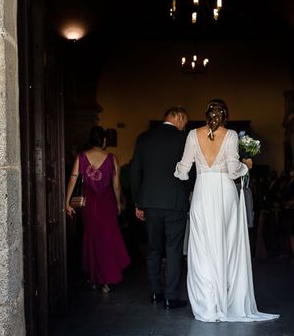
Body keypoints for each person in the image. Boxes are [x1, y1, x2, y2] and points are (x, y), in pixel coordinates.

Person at [175, 99, 279, 322]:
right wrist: (246, 166)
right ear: (225, 116)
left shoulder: (193, 134)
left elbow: (183, 171)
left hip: (202, 192)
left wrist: (184, 173)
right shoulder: (231, 135)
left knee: (203, 247)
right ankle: (228, 298)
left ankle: (208, 305)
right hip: (225, 193)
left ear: (206, 115)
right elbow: (233, 171)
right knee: (228, 245)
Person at [131, 106, 191, 309]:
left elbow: (135, 171)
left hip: (150, 201)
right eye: (185, 120)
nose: (185, 125)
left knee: (154, 249)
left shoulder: (144, 138)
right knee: (173, 250)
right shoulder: (184, 139)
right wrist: (189, 192)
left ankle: (156, 292)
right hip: (175, 202)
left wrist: (137, 202)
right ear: (178, 117)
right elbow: (191, 172)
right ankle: (171, 297)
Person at [65, 126, 130, 293]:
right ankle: (106, 280)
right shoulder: (111, 158)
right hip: (106, 202)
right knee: (107, 239)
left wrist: (66, 202)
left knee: (92, 238)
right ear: (104, 141)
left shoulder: (81, 157)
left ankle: (94, 277)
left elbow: (72, 180)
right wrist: (118, 203)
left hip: (89, 203)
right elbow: (116, 186)